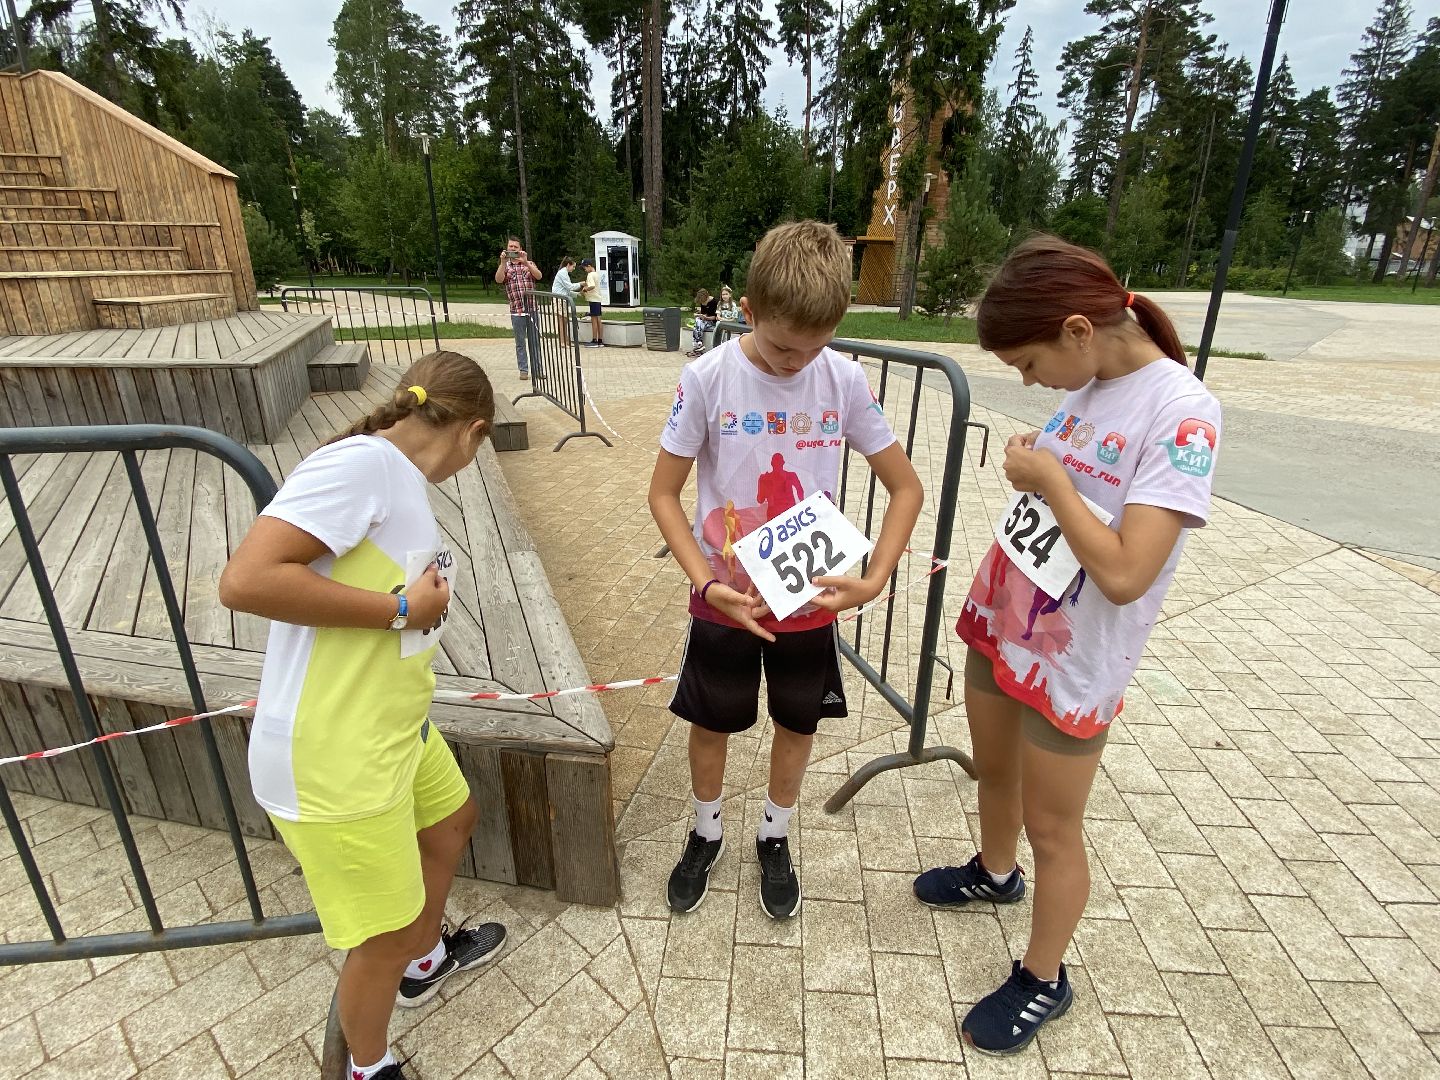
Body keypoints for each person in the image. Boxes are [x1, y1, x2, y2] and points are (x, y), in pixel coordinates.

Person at [911, 235, 1222, 1056]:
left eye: (1027, 362)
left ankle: (1044, 978)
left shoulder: (1183, 412)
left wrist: (1047, 478)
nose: (1028, 380)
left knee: (1057, 828)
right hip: (1005, 617)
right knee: (996, 773)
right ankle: (994, 871)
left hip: (1073, 657)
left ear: (1079, 329)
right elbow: (1062, 485)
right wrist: (1037, 466)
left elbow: (1125, 573)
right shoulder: (1090, 382)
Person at [219, 352, 509, 1080]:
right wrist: (403, 608)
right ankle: (368, 1067)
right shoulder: (361, 467)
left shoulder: (393, 476)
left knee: (451, 821)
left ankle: (426, 957)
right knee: (381, 934)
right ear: (472, 433)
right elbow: (247, 581)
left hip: (394, 728)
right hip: (336, 754)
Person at [649, 220, 923, 919]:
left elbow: (907, 487)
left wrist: (875, 576)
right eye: (778, 347)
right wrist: (706, 583)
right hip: (725, 601)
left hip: (812, 600)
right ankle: (705, 830)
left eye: (814, 346)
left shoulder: (844, 379)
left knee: (797, 724)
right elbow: (662, 493)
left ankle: (776, 835)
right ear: (748, 308)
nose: (795, 364)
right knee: (712, 722)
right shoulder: (708, 378)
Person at [495, 237, 542, 381]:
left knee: (535, 341)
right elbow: (498, 279)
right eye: (511, 246)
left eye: (516, 247)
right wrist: (502, 262)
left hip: (532, 309)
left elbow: (539, 276)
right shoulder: (506, 266)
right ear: (507, 248)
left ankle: (538, 370)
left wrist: (526, 262)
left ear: (520, 248)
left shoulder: (528, 264)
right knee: (520, 343)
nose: (513, 249)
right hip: (516, 310)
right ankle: (523, 370)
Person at [551, 256, 580, 347]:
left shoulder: (564, 273)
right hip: (559, 299)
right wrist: (581, 284)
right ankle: (562, 341)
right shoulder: (563, 273)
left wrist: (577, 294)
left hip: (562, 298)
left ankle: (566, 340)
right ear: (568, 265)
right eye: (573, 266)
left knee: (565, 320)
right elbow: (570, 287)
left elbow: (567, 290)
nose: (574, 269)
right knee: (562, 320)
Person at [579, 258, 605, 347]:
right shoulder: (596, 274)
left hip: (593, 299)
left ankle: (594, 340)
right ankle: (600, 340)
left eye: (585, 268)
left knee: (594, 319)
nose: (585, 270)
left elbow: (592, 286)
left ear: (589, 266)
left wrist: (585, 289)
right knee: (598, 319)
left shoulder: (590, 275)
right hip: (597, 299)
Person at [688, 287, 720, 356]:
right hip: (703, 322)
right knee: (698, 322)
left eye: (703, 302)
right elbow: (704, 312)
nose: (703, 304)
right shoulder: (702, 302)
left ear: (707, 297)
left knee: (697, 323)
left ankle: (698, 344)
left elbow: (714, 317)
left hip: (712, 321)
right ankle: (699, 345)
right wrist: (699, 315)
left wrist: (705, 317)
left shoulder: (714, 302)